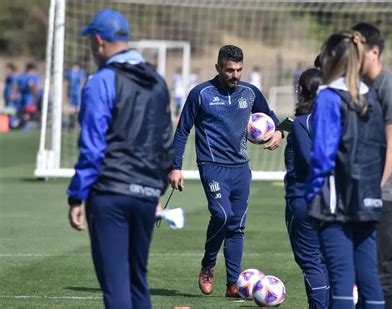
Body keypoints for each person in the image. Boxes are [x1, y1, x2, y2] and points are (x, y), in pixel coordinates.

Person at [66, 9, 174, 309]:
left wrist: (77, 196)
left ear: (99, 41)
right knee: (137, 280)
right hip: (146, 192)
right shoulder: (157, 81)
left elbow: (92, 147)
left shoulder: (101, 81)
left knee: (116, 285)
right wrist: (155, 188)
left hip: (110, 192)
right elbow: (166, 141)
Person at [168, 45, 282, 298]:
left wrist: (278, 132)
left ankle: (234, 284)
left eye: (239, 70)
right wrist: (175, 166)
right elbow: (183, 130)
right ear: (218, 68)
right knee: (222, 215)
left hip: (241, 168)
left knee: (237, 226)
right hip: (212, 166)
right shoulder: (201, 94)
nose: (235, 75)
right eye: (230, 70)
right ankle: (208, 264)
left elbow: (272, 119)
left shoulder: (250, 93)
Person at [305, 31, 386, 308]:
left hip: (334, 200)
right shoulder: (371, 96)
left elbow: (323, 154)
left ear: (331, 59)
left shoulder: (328, 96)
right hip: (370, 194)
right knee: (369, 279)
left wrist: (312, 195)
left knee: (340, 278)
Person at [353, 22, 392, 309]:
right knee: (363, 271)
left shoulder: (391, 88)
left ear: (374, 51)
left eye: (357, 50)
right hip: (368, 193)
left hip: (387, 196)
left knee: (382, 271)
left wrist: (373, 190)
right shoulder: (365, 88)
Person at [284, 68, 328, 308]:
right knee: (324, 261)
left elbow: (310, 160)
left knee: (311, 262)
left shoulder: (302, 124)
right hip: (332, 199)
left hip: (303, 197)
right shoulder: (336, 120)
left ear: (300, 90)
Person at [18, 62, 40, 130]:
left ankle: (28, 124)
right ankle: (26, 124)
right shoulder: (27, 76)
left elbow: (35, 86)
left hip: (27, 96)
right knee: (26, 111)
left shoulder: (26, 76)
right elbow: (31, 85)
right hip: (27, 96)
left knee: (28, 111)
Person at [65, 62, 86, 128]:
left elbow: (82, 81)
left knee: (78, 108)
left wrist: (82, 90)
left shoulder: (80, 73)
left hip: (78, 93)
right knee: (72, 108)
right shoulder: (70, 73)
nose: (74, 68)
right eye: (73, 67)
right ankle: (72, 123)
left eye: (75, 67)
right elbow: (68, 83)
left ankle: (77, 122)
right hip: (72, 93)